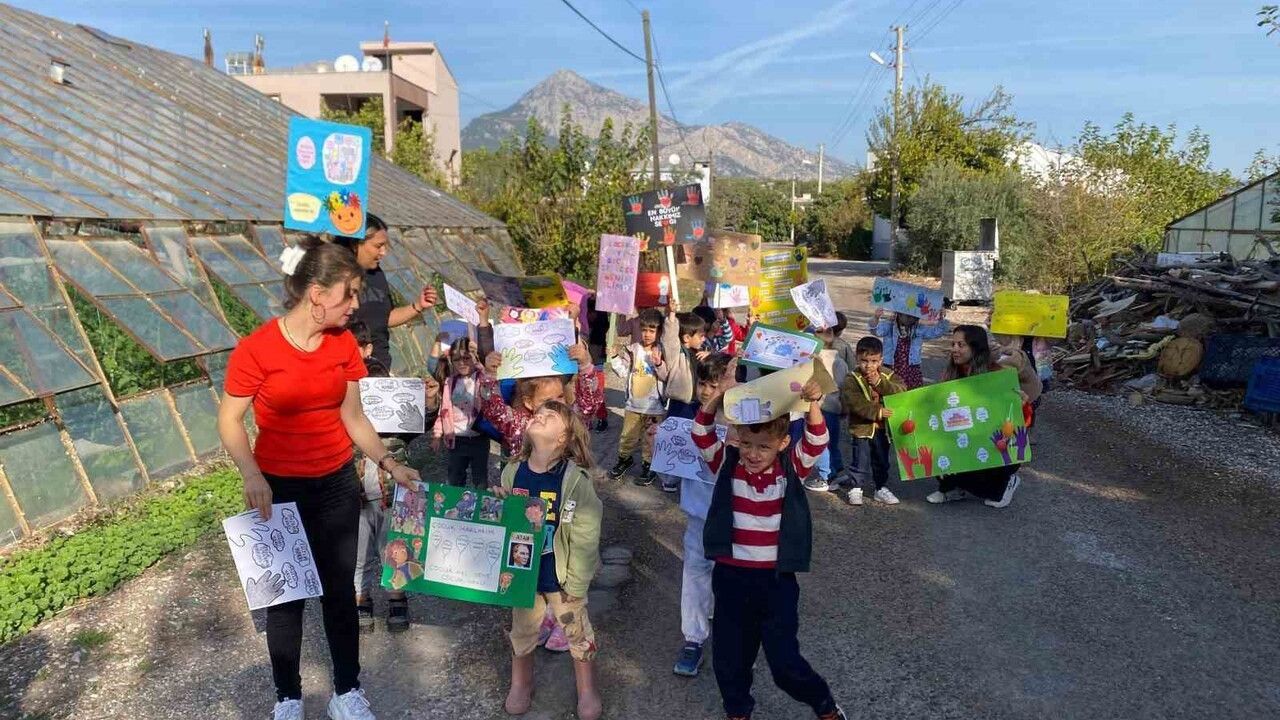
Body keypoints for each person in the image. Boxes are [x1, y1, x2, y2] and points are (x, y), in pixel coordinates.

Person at [218, 236, 420, 720]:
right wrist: (251, 474)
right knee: (285, 600)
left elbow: (354, 417)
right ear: (317, 295)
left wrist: (388, 463)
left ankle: (346, 692)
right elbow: (229, 420)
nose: (355, 305)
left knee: (338, 593)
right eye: (349, 294)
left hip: (335, 486)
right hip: (278, 491)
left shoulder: (343, 344)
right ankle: (288, 698)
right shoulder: (256, 350)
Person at [693, 372, 848, 720]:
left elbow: (816, 440)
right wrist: (719, 395)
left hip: (776, 582)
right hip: (731, 578)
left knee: (784, 664)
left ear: (782, 443)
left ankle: (824, 702)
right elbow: (701, 432)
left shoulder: (791, 469)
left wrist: (813, 404)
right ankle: (737, 710)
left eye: (763, 446)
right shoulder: (727, 464)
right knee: (730, 658)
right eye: (746, 443)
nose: (752, 453)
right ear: (737, 436)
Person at [336, 214, 438, 632]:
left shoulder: (376, 278)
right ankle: (359, 596)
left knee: (391, 522)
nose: (385, 251)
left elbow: (382, 320)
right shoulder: (337, 278)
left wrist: (415, 308)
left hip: (379, 379)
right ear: (354, 244)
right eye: (378, 244)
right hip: (352, 383)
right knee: (358, 531)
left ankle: (396, 592)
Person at [495, 400, 604, 720]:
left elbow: (586, 532)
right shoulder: (512, 471)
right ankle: (521, 684)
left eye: (550, 416)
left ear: (563, 437)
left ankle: (587, 690)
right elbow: (504, 523)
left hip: (562, 578)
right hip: (524, 575)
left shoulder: (575, 480)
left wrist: (577, 583)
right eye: (538, 413)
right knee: (522, 632)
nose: (539, 417)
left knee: (577, 633)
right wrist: (497, 504)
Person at [673, 353, 734, 678]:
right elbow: (671, 469)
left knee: (729, 579)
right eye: (703, 384)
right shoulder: (686, 417)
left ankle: (733, 638)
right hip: (698, 515)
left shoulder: (742, 421)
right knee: (696, 572)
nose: (708, 391)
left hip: (735, 518)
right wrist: (659, 447)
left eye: (716, 385)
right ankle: (693, 639)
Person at [926, 325, 1026, 509]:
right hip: (963, 438)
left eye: (961, 345)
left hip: (991, 442)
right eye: (953, 344)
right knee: (941, 445)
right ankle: (953, 488)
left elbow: (1015, 418)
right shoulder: (950, 374)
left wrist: (1021, 404)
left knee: (991, 490)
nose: (955, 349)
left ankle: (1007, 482)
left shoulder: (996, 374)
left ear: (975, 347)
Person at [838, 336, 905, 505]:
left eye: (874, 361)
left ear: (881, 360)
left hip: (883, 429)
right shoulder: (852, 378)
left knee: (881, 460)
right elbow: (854, 402)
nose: (869, 366)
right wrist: (878, 411)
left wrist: (880, 383)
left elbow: (901, 391)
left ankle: (880, 487)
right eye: (864, 361)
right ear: (857, 358)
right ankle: (856, 487)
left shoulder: (888, 375)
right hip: (861, 427)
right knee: (860, 459)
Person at [608, 309, 666, 486]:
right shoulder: (633, 349)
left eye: (652, 330)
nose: (647, 334)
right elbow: (623, 371)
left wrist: (659, 363)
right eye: (644, 330)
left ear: (659, 332)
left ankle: (649, 466)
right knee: (627, 436)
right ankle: (624, 459)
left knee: (651, 439)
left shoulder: (662, 351)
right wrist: (614, 357)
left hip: (654, 407)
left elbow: (666, 376)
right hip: (633, 404)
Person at [432, 336, 491, 487]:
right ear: (451, 361)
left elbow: (490, 380)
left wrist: (478, 361)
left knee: (480, 479)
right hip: (456, 439)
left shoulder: (481, 378)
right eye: (457, 359)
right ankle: (454, 501)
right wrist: (437, 434)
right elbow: (443, 410)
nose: (462, 363)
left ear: (473, 358)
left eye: (466, 358)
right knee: (454, 478)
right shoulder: (450, 382)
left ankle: (481, 502)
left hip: (479, 438)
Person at [802, 325, 849, 493]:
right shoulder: (840, 361)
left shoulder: (812, 359)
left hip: (820, 408)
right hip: (834, 408)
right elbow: (845, 387)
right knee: (832, 443)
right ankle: (838, 471)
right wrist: (844, 407)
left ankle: (826, 476)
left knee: (821, 443)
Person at [869, 307, 949, 390]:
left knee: (912, 392)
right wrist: (876, 317)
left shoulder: (919, 329)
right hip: (891, 367)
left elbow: (936, 332)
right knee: (891, 390)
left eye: (914, 316)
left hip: (911, 369)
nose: (910, 319)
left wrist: (941, 318)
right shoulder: (889, 326)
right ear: (899, 313)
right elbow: (875, 330)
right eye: (907, 315)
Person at [585, 294, 613, 433]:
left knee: (597, 391)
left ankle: (602, 418)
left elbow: (606, 326)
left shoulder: (600, 318)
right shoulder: (582, 324)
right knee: (584, 391)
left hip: (596, 359)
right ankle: (587, 419)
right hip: (583, 360)